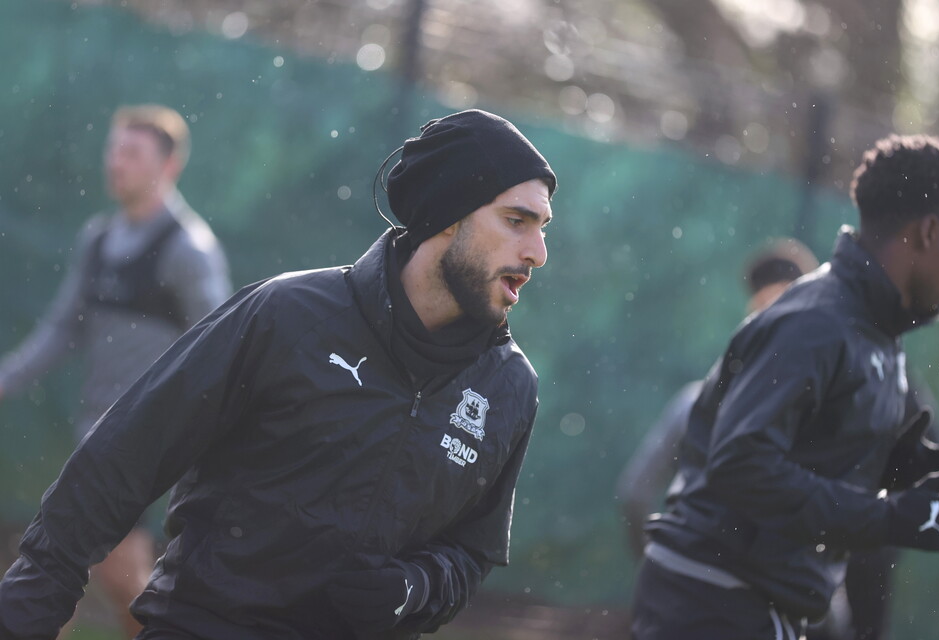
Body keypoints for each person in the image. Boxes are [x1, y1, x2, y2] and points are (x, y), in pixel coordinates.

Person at [0, 108, 557, 640]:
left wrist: (415, 589)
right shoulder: (287, 314)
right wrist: (33, 596)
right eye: (516, 221)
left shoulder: (510, 387)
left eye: (542, 227)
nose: (537, 251)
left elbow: (472, 552)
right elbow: (127, 453)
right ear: (446, 214)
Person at [631, 133, 939, 640]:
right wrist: (891, 518)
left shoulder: (876, 331)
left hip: (764, 606)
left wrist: (904, 471)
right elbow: (742, 466)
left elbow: (812, 455)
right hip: (715, 607)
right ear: (929, 232)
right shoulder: (816, 323)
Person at [0, 104, 231, 638]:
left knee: (85, 565)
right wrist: (8, 377)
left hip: (147, 446)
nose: (115, 162)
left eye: (131, 152)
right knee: (116, 579)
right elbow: (62, 328)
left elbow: (220, 349)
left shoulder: (189, 251)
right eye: (113, 148)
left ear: (168, 167)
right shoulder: (98, 238)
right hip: (96, 433)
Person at [617, 237, 819, 558]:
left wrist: (659, 568)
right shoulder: (826, 413)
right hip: (782, 594)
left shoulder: (694, 403)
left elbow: (635, 493)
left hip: (688, 584)